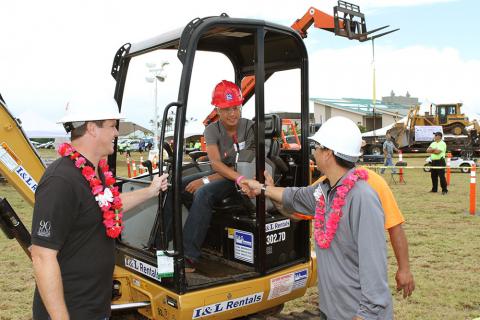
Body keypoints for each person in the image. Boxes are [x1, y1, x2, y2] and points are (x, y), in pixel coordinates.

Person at [30, 95, 169, 320]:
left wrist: (151, 191)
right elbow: (42, 257)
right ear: (92, 128)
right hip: (72, 311)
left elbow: (107, 208)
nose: (116, 133)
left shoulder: (96, 172)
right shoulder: (61, 181)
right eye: (113, 126)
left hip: (96, 307)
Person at [242, 116, 392, 319]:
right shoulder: (325, 190)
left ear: (329, 153)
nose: (313, 151)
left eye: (317, 147)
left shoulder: (362, 198)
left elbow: (374, 268)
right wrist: (262, 188)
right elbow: (294, 196)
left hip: (357, 315)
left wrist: (365, 315)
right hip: (333, 310)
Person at [181, 80, 254, 272]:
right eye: (226, 109)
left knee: (203, 193)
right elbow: (215, 164)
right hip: (224, 173)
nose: (232, 114)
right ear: (217, 110)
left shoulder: (250, 127)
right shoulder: (212, 130)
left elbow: (246, 168)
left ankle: (188, 256)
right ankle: (161, 244)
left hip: (243, 179)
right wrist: (208, 178)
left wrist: (205, 180)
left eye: (236, 108)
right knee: (178, 185)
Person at [312, 167, 415, 298]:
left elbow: (395, 226)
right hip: (334, 276)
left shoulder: (373, 181)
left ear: (329, 155)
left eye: (321, 149)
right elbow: (295, 209)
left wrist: (404, 269)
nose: (315, 154)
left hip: (365, 273)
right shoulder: (322, 185)